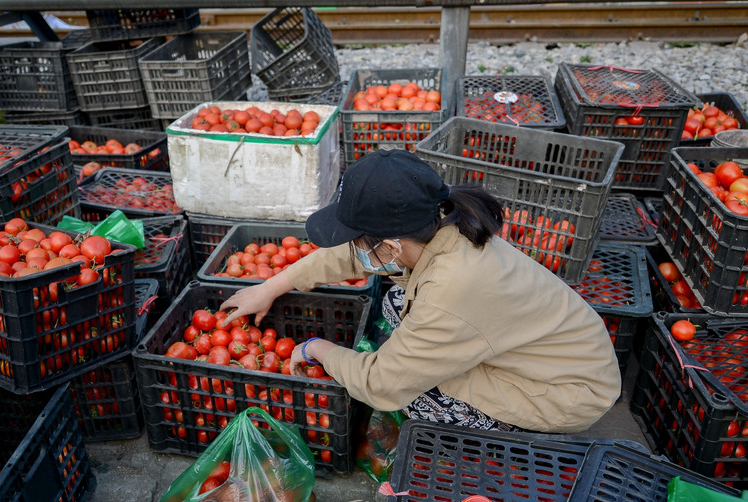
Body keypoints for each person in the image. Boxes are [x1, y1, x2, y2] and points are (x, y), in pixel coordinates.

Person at [221, 149, 621, 433]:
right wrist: (271, 287)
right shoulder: (440, 221)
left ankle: (496, 445)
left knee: (417, 396)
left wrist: (316, 349)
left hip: (564, 393)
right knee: (398, 303)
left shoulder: (452, 288)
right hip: (546, 353)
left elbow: (381, 385)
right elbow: (349, 255)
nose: (356, 250)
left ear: (391, 247)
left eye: (361, 241)